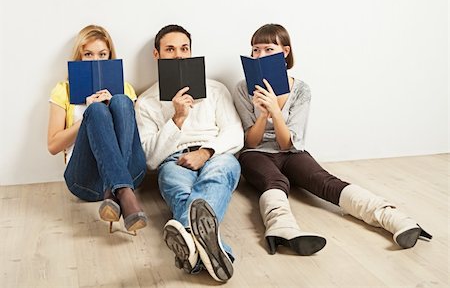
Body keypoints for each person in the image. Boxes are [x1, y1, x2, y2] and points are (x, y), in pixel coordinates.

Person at [232, 23, 432, 256]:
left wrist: (275, 113)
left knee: (324, 180)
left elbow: (288, 144)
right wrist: (263, 114)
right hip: (256, 155)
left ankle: (393, 217)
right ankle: (282, 229)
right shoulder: (242, 87)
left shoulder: (301, 90)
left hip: (291, 152)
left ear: (285, 52)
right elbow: (251, 142)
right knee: (275, 181)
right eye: (255, 50)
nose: (260, 55)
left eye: (268, 49)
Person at [135, 24, 243, 282]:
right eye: (170, 50)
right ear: (157, 55)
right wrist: (177, 119)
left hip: (217, 155)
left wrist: (206, 152)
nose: (179, 56)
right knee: (178, 188)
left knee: (217, 176)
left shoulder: (215, 89)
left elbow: (235, 133)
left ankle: (186, 235)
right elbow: (150, 159)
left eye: (184, 49)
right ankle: (215, 251)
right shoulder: (147, 102)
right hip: (174, 160)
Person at [47, 25, 148, 234]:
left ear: (110, 56)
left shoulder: (125, 88)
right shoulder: (63, 90)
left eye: (102, 54)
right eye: (88, 54)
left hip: (130, 168)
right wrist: (88, 114)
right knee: (95, 111)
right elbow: (53, 146)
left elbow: (135, 139)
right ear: (79, 57)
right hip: (85, 180)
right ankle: (125, 193)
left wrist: (114, 107)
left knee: (120, 101)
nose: (96, 60)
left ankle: (115, 191)